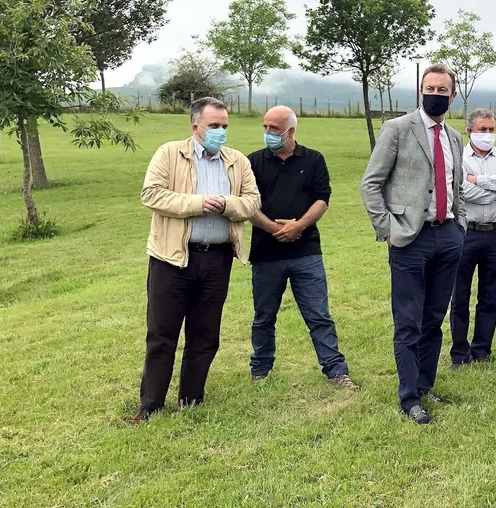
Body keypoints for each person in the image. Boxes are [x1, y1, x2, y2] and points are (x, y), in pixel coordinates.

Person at [129, 97, 261, 424]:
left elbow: (252, 202)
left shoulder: (237, 162)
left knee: (205, 335)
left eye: (225, 127)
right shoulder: (170, 153)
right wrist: (199, 203)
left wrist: (227, 205)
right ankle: (150, 405)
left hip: (217, 259)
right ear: (196, 127)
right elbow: (152, 194)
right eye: (214, 126)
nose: (220, 132)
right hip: (172, 258)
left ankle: (192, 398)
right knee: (162, 333)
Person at [360, 64, 467, 424]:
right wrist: (387, 229)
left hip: (448, 236)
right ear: (420, 91)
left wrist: (460, 223)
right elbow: (371, 184)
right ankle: (409, 398)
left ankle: (425, 385)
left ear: (453, 96)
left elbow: (456, 187)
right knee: (408, 320)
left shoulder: (454, 137)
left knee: (434, 319)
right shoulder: (397, 129)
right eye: (429, 87)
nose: (434, 94)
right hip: (409, 238)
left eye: (442, 89)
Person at [246, 105, 359, 391]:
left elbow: (322, 198)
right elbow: (246, 205)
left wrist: (298, 226)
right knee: (264, 316)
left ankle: (336, 371)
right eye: (265, 127)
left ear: (290, 131)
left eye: (274, 128)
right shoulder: (252, 162)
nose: (268, 133)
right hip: (265, 254)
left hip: (306, 252)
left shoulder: (313, 160)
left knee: (318, 315)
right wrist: (276, 229)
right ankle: (260, 370)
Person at [449, 109, 496, 369]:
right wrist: (494, 188)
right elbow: (461, 190)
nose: (487, 134)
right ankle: (459, 353)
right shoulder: (459, 157)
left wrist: (479, 181)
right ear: (469, 130)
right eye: (482, 129)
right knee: (459, 298)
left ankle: (481, 350)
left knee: (489, 297)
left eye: (491, 129)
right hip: (465, 233)